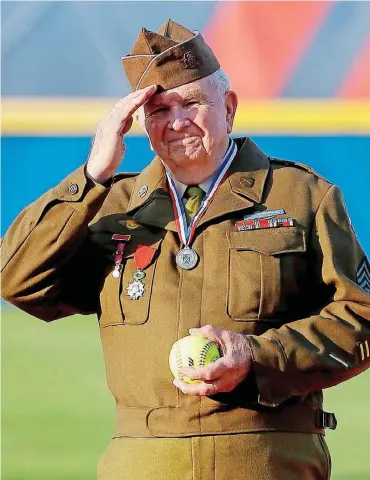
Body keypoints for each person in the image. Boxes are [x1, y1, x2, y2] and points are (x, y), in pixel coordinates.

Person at [2, 19, 370, 480]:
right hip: (143, 465)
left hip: (270, 462)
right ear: (139, 124)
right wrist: (91, 175)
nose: (176, 122)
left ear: (229, 107)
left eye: (191, 103)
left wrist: (258, 356)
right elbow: (17, 280)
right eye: (157, 110)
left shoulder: (301, 196)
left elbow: (362, 317)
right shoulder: (111, 205)